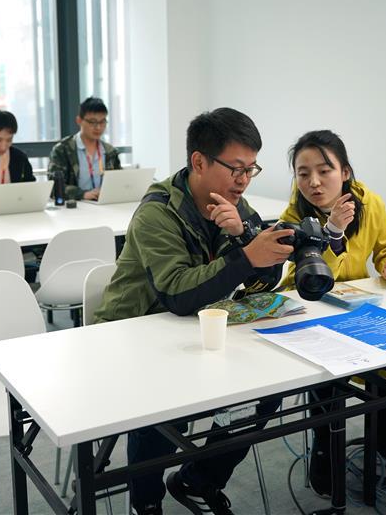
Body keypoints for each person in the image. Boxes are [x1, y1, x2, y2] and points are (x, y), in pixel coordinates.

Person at [93, 108, 295, 515]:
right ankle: (145, 501)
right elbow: (178, 294)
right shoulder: (157, 212)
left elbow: (264, 279)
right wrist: (244, 258)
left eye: (250, 169)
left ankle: (198, 480)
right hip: (132, 334)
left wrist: (244, 238)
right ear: (199, 161)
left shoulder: (237, 206)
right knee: (160, 407)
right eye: (235, 168)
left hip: (194, 328)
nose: (243, 180)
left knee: (268, 388)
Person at [279, 129, 386, 494]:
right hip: (311, 318)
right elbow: (303, 282)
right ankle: (325, 454)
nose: (313, 182)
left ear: (345, 172)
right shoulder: (294, 216)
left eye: (324, 170)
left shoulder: (369, 203)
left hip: (358, 313)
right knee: (327, 386)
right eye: (303, 173)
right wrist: (332, 232)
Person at [47, 97, 122, 200]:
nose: (98, 127)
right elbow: (54, 186)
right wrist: (82, 194)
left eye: (102, 122)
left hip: (105, 205)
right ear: (79, 120)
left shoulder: (110, 152)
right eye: (92, 122)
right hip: (75, 208)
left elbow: (120, 182)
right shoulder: (63, 150)